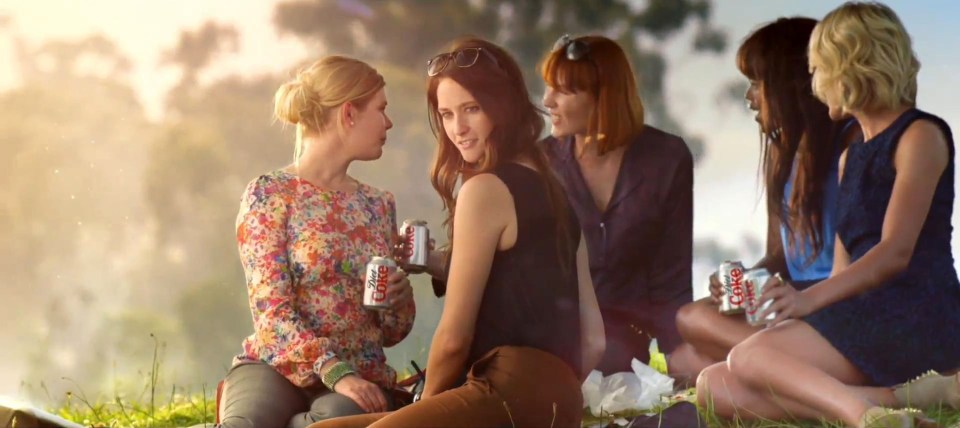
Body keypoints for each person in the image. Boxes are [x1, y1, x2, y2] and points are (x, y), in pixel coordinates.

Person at [310, 36, 605, 428]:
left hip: (505, 390)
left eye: (471, 109)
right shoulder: (557, 194)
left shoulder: (484, 190)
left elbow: (453, 339)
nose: (458, 128)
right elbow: (594, 340)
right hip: (560, 400)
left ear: (505, 108)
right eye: (447, 114)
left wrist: (425, 407)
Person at [697, 3, 960, 427]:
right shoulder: (849, 160)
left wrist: (805, 302)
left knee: (749, 355)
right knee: (714, 384)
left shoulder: (920, 136)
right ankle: (905, 399)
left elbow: (894, 252)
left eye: (819, 70)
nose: (814, 84)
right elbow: (842, 270)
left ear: (850, 68)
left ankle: (865, 416)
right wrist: (794, 308)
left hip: (917, 314)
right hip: (867, 316)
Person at [202, 56, 416, 428]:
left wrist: (400, 302)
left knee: (333, 423)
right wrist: (335, 372)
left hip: (357, 379)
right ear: (349, 113)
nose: (388, 122)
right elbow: (272, 313)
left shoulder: (377, 204)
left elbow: (389, 332)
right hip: (275, 366)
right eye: (381, 109)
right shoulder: (270, 195)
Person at [670, 17, 851, 382]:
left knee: (693, 329)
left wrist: (796, 299)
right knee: (684, 354)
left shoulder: (850, 146)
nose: (749, 97)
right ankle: (792, 376)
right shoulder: (782, 156)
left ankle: (830, 377)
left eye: (756, 84)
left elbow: (860, 262)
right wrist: (745, 281)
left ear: (793, 85)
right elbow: (780, 258)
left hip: (835, 306)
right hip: (790, 303)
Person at [539, 34, 694, 375]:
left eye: (563, 90)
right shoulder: (540, 162)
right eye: (548, 86)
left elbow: (672, 276)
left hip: (625, 338)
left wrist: (678, 355)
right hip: (554, 333)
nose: (547, 100)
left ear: (603, 97)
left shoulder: (666, 159)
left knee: (714, 372)